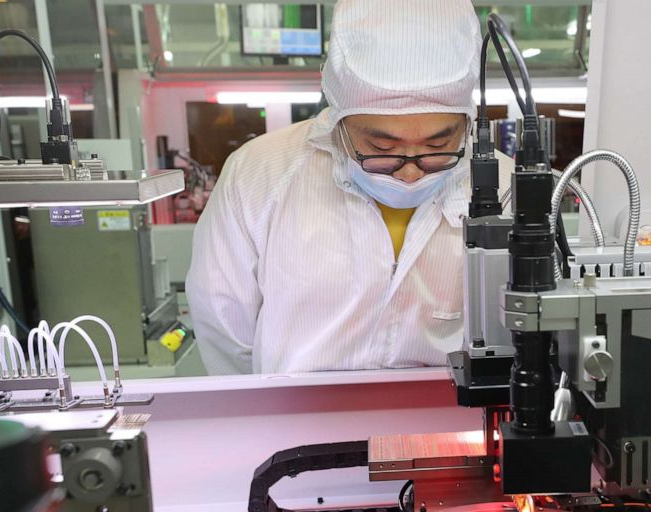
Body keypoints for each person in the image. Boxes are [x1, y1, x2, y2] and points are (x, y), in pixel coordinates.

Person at [187, 0, 504, 374]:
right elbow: (224, 326)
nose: (410, 173)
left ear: (469, 123)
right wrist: (267, 420)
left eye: (438, 146)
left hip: (453, 422)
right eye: (382, 148)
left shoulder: (505, 185)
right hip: (297, 421)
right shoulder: (260, 174)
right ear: (339, 117)